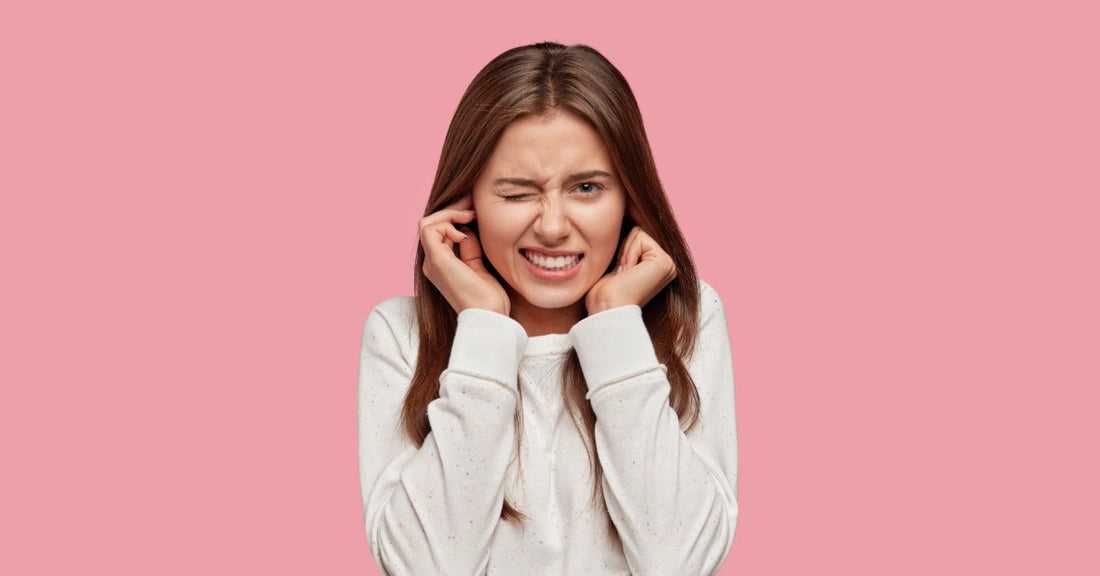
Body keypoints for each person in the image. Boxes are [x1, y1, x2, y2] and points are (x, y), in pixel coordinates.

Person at [358, 42, 738, 575]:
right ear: (466, 202)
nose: (554, 226)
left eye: (587, 188)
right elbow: (426, 566)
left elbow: (679, 560)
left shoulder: (688, 320)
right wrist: (484, 326)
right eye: (517, 194)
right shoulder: (400, 336)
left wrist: (614, 323)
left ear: (628, 196)